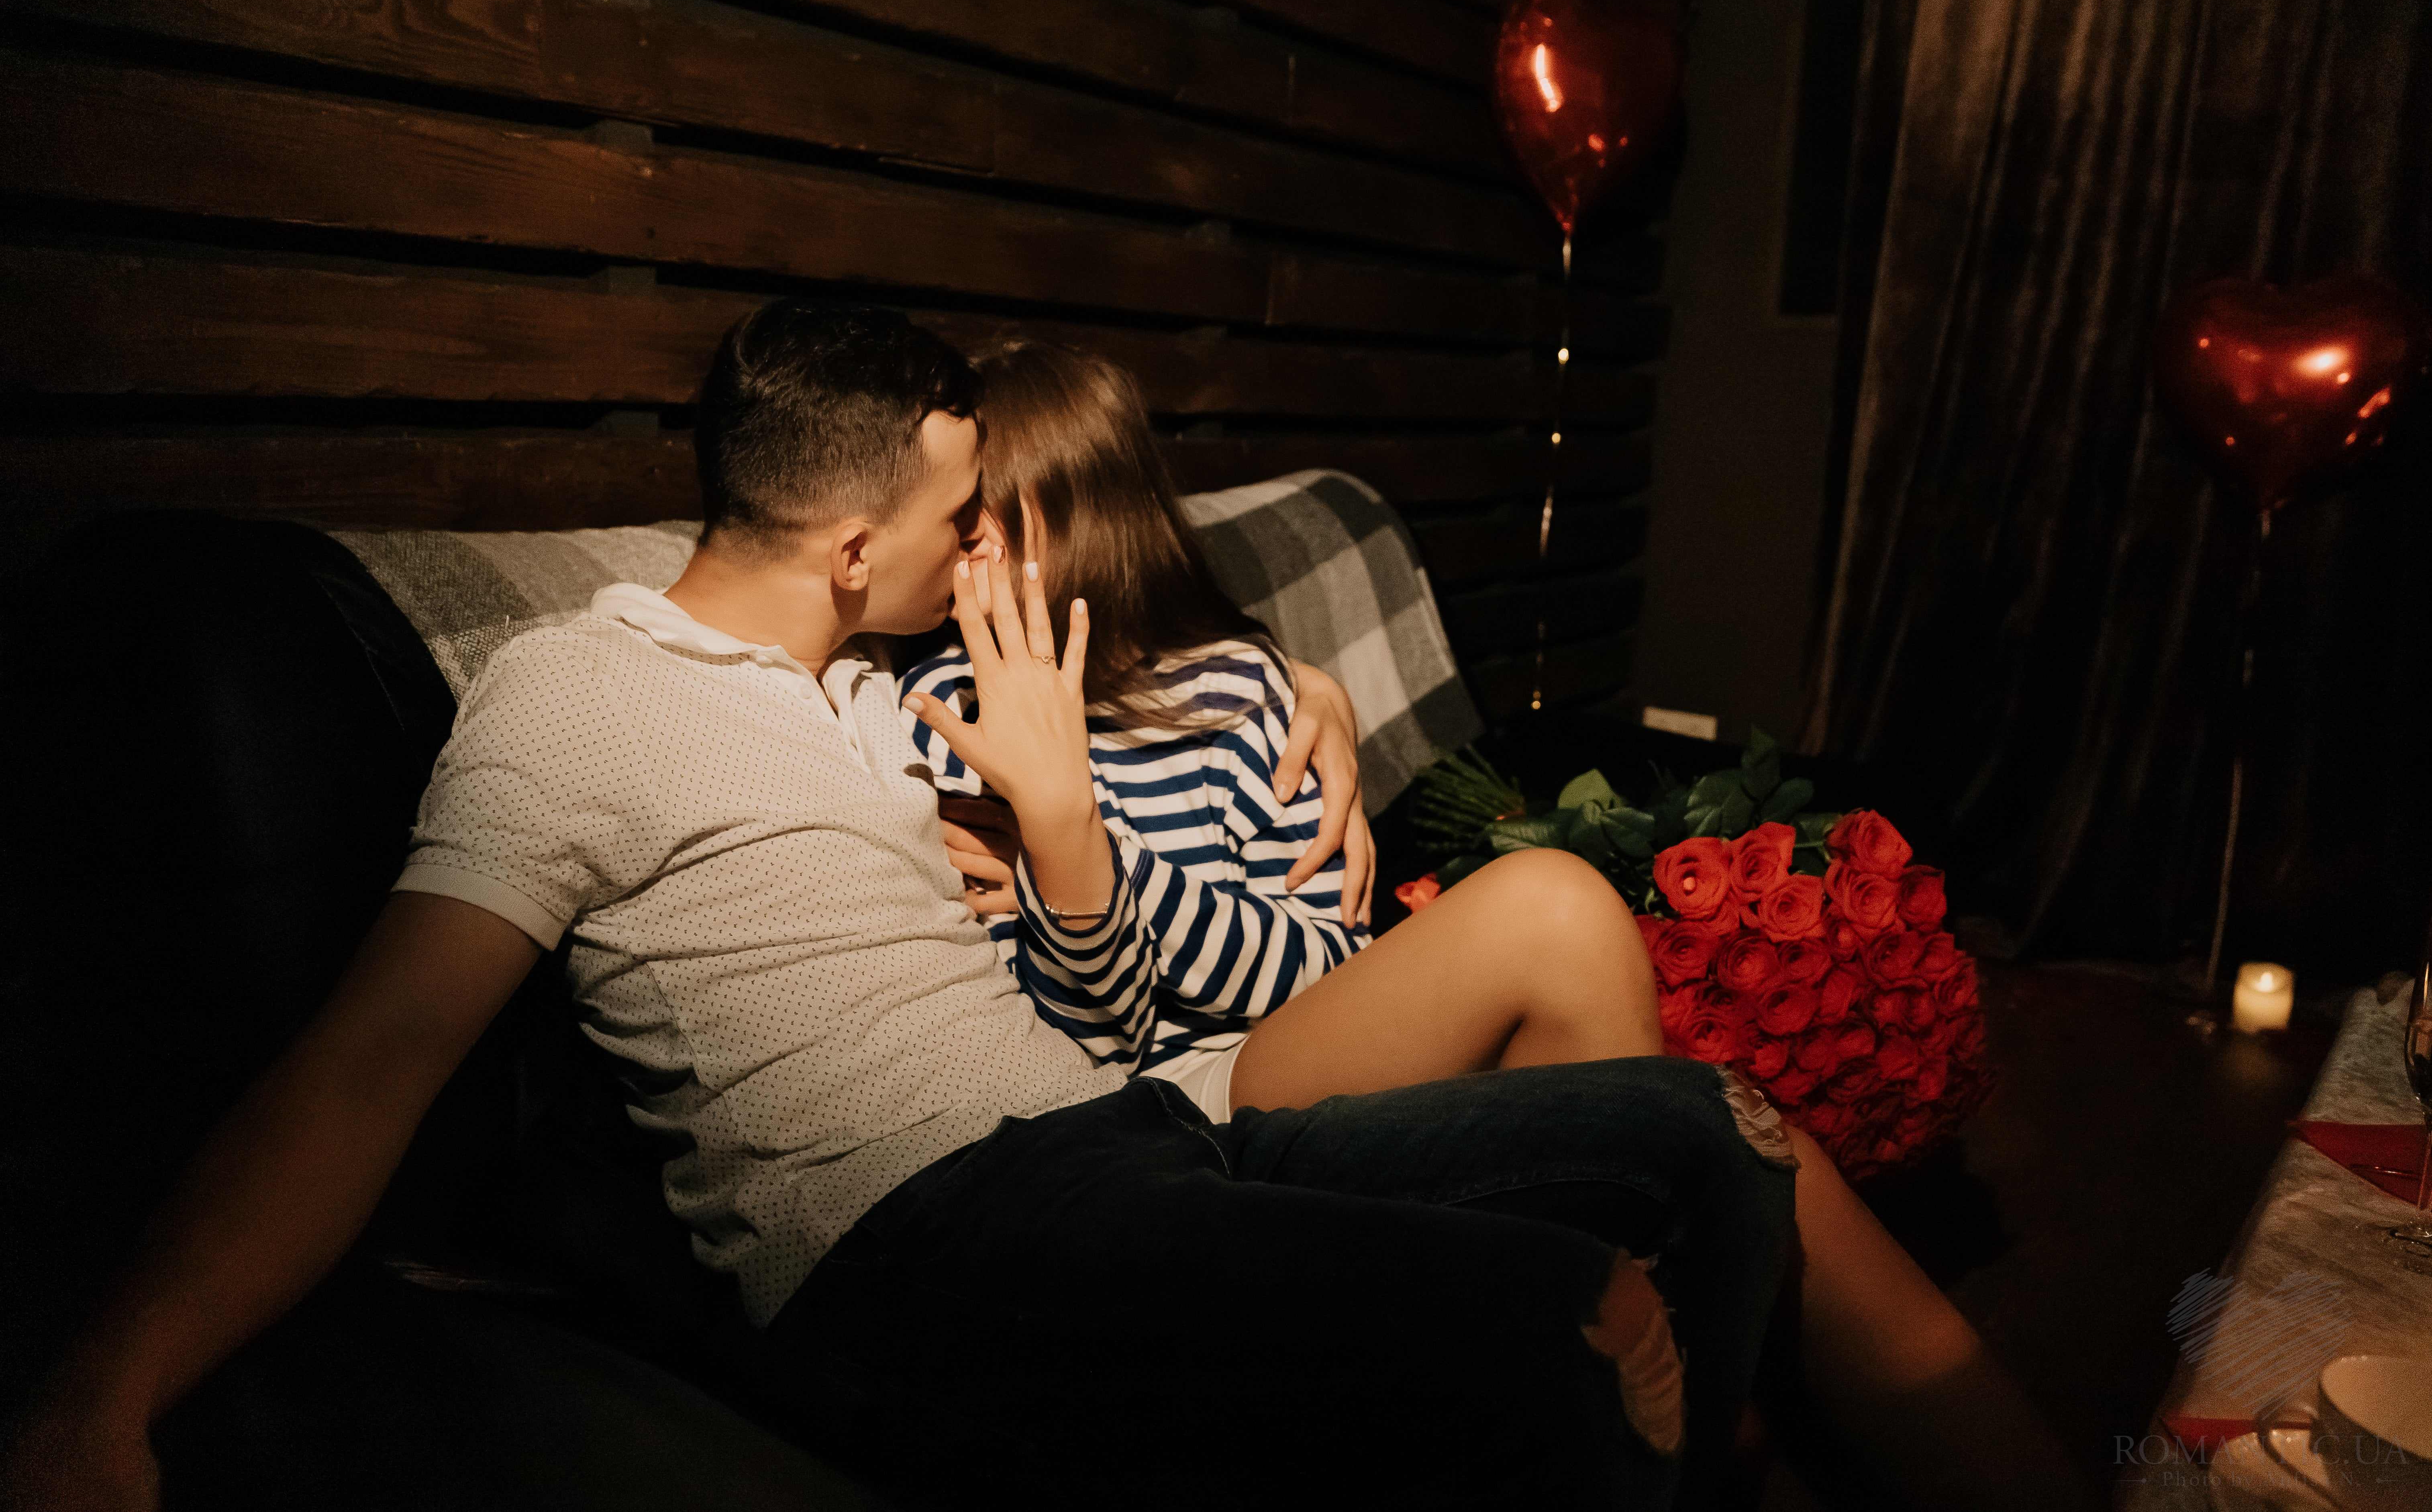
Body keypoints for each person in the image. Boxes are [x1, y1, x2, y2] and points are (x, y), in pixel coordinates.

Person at [0, 300, 1799, 1512]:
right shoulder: (579, 702)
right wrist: (105, 1387)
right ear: (856, 546)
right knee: (1577, 1319)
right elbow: (370, 1058)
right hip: (920, 1237)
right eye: (960, 516)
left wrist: (1291, 693)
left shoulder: (888, 694)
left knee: (1707, 1132)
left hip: (1134, 1140)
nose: (979, 547)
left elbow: (1133, 753)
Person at [898, 339, 2101, 1512]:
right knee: (1562, 921)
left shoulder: (1239, 688)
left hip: (1300, 1035)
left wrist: (1096, 860)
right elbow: (1081, 1033)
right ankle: (1673, 1385)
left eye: (976, 517)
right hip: (1156, 1108)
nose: (955, 549)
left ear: (1082, 510)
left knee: (1763, 1147)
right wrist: (1068, 841)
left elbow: (1321, 959)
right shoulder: (937, 712)